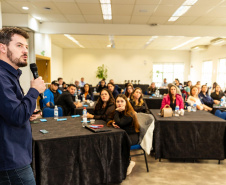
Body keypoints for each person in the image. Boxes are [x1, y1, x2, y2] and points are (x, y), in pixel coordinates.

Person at [0, 27, 46, 184]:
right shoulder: (2, 77)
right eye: (19, 46)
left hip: (15, 155)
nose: (25, 51)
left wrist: (28, 113)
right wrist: (33, 91)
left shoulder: (10, 75)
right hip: (11, 159)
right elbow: (16, 116)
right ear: (3, 47)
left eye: (26, 47)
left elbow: (11, 113)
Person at [107, 94, 140, 175]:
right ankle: (116, 164)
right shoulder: (119, 111)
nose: (119, 103)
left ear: (126, 103)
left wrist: (116, 113)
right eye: (117, 101)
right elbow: (108, 118)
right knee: (111, 141)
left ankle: (128, 163)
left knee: (118, 143)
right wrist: (112, 123)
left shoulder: (129, 113)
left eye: (122, 101)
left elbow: (120, 123)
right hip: (123, 134)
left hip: (132, 136)